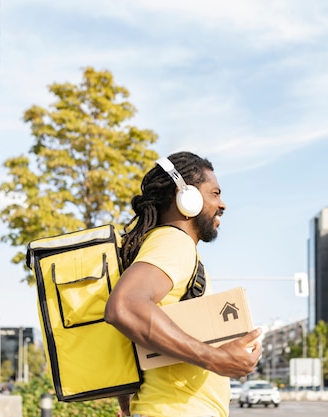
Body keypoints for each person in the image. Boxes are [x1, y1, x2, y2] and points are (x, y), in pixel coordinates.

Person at [104, 151, 262, 417]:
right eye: (215, 193)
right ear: (185, 196)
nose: (222, 204)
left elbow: (133, 328)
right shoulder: (174, 243)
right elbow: (125, 307)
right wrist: (217, 359)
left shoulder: (160, 245)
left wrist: (128, 403)